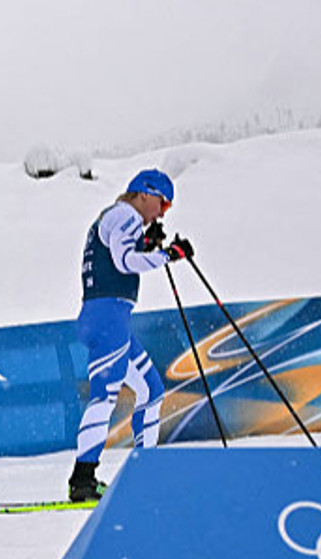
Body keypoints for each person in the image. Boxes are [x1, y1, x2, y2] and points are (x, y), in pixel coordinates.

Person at [69, 168, 193, 502]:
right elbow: (125, 261)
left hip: (109, 317)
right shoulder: (126, 215)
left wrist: (148, 245)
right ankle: (82, 480)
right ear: (145, 193)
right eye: (163, 203)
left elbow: (119, 255)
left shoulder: (118, 217)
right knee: (104, 397)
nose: (162, 213)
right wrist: (167, 255)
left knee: (151, 389)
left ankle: (146, 473)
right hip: (108, 317)